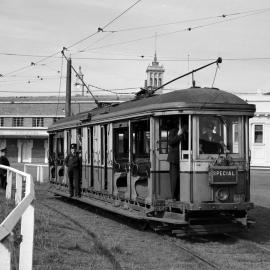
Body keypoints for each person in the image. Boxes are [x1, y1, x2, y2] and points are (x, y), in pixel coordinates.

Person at [167, 123, 186, 200]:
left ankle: (180, 195)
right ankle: (173, 196)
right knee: (174, 177)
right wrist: (178, 135)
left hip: (184, 158)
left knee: (181, 177)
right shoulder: (173, 131)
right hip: (174, 158)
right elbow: (171, 142)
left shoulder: (186, 133)